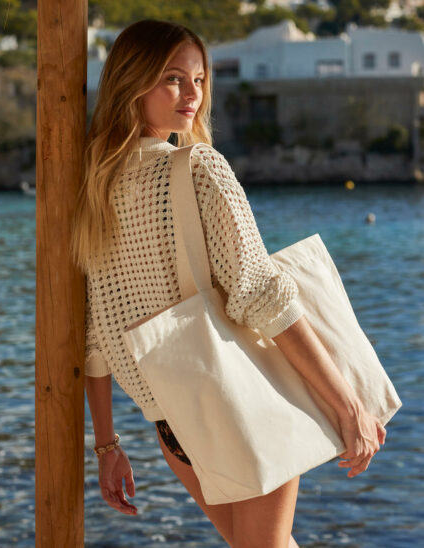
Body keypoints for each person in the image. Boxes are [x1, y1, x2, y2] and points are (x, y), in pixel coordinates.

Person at [70, 19, 386, 548]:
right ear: (131, 83)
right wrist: (348, 406)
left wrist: (107, 445)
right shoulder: (200, 168)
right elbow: (262, 297)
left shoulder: (93, 191)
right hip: (239, 403)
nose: (192, 94)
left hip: (174, 423)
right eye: (173, 78)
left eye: (198, 79)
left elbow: (96, 339)